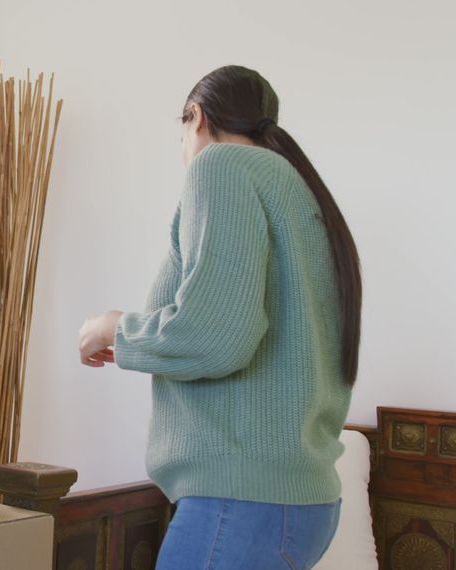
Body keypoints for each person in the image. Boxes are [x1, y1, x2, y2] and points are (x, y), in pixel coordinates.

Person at [78, 65, 362, 569]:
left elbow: (215, 337)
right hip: (296, 503)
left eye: (181, 133)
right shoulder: (297, 186)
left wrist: (114, 327)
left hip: (240, 502)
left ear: (197, 117)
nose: (184, 149)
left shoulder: (221, 166)